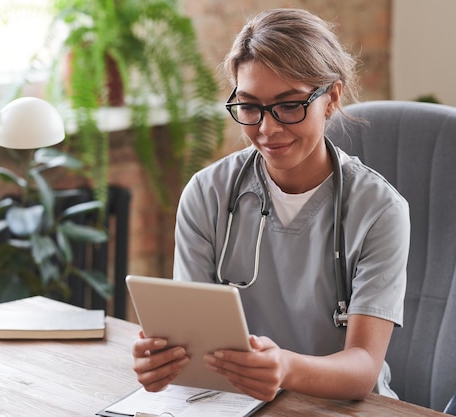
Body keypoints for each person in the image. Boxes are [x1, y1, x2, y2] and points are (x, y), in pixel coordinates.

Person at [131, 8, 410, 402]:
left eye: (289, 105)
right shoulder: (207, 193)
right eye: (249, 106)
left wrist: (286, 368)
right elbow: (192, 341)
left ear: (331, 98)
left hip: (343, 409)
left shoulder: (380, 210)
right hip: (238, 404)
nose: (267, 128)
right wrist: (163, 362)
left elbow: (363, 366)